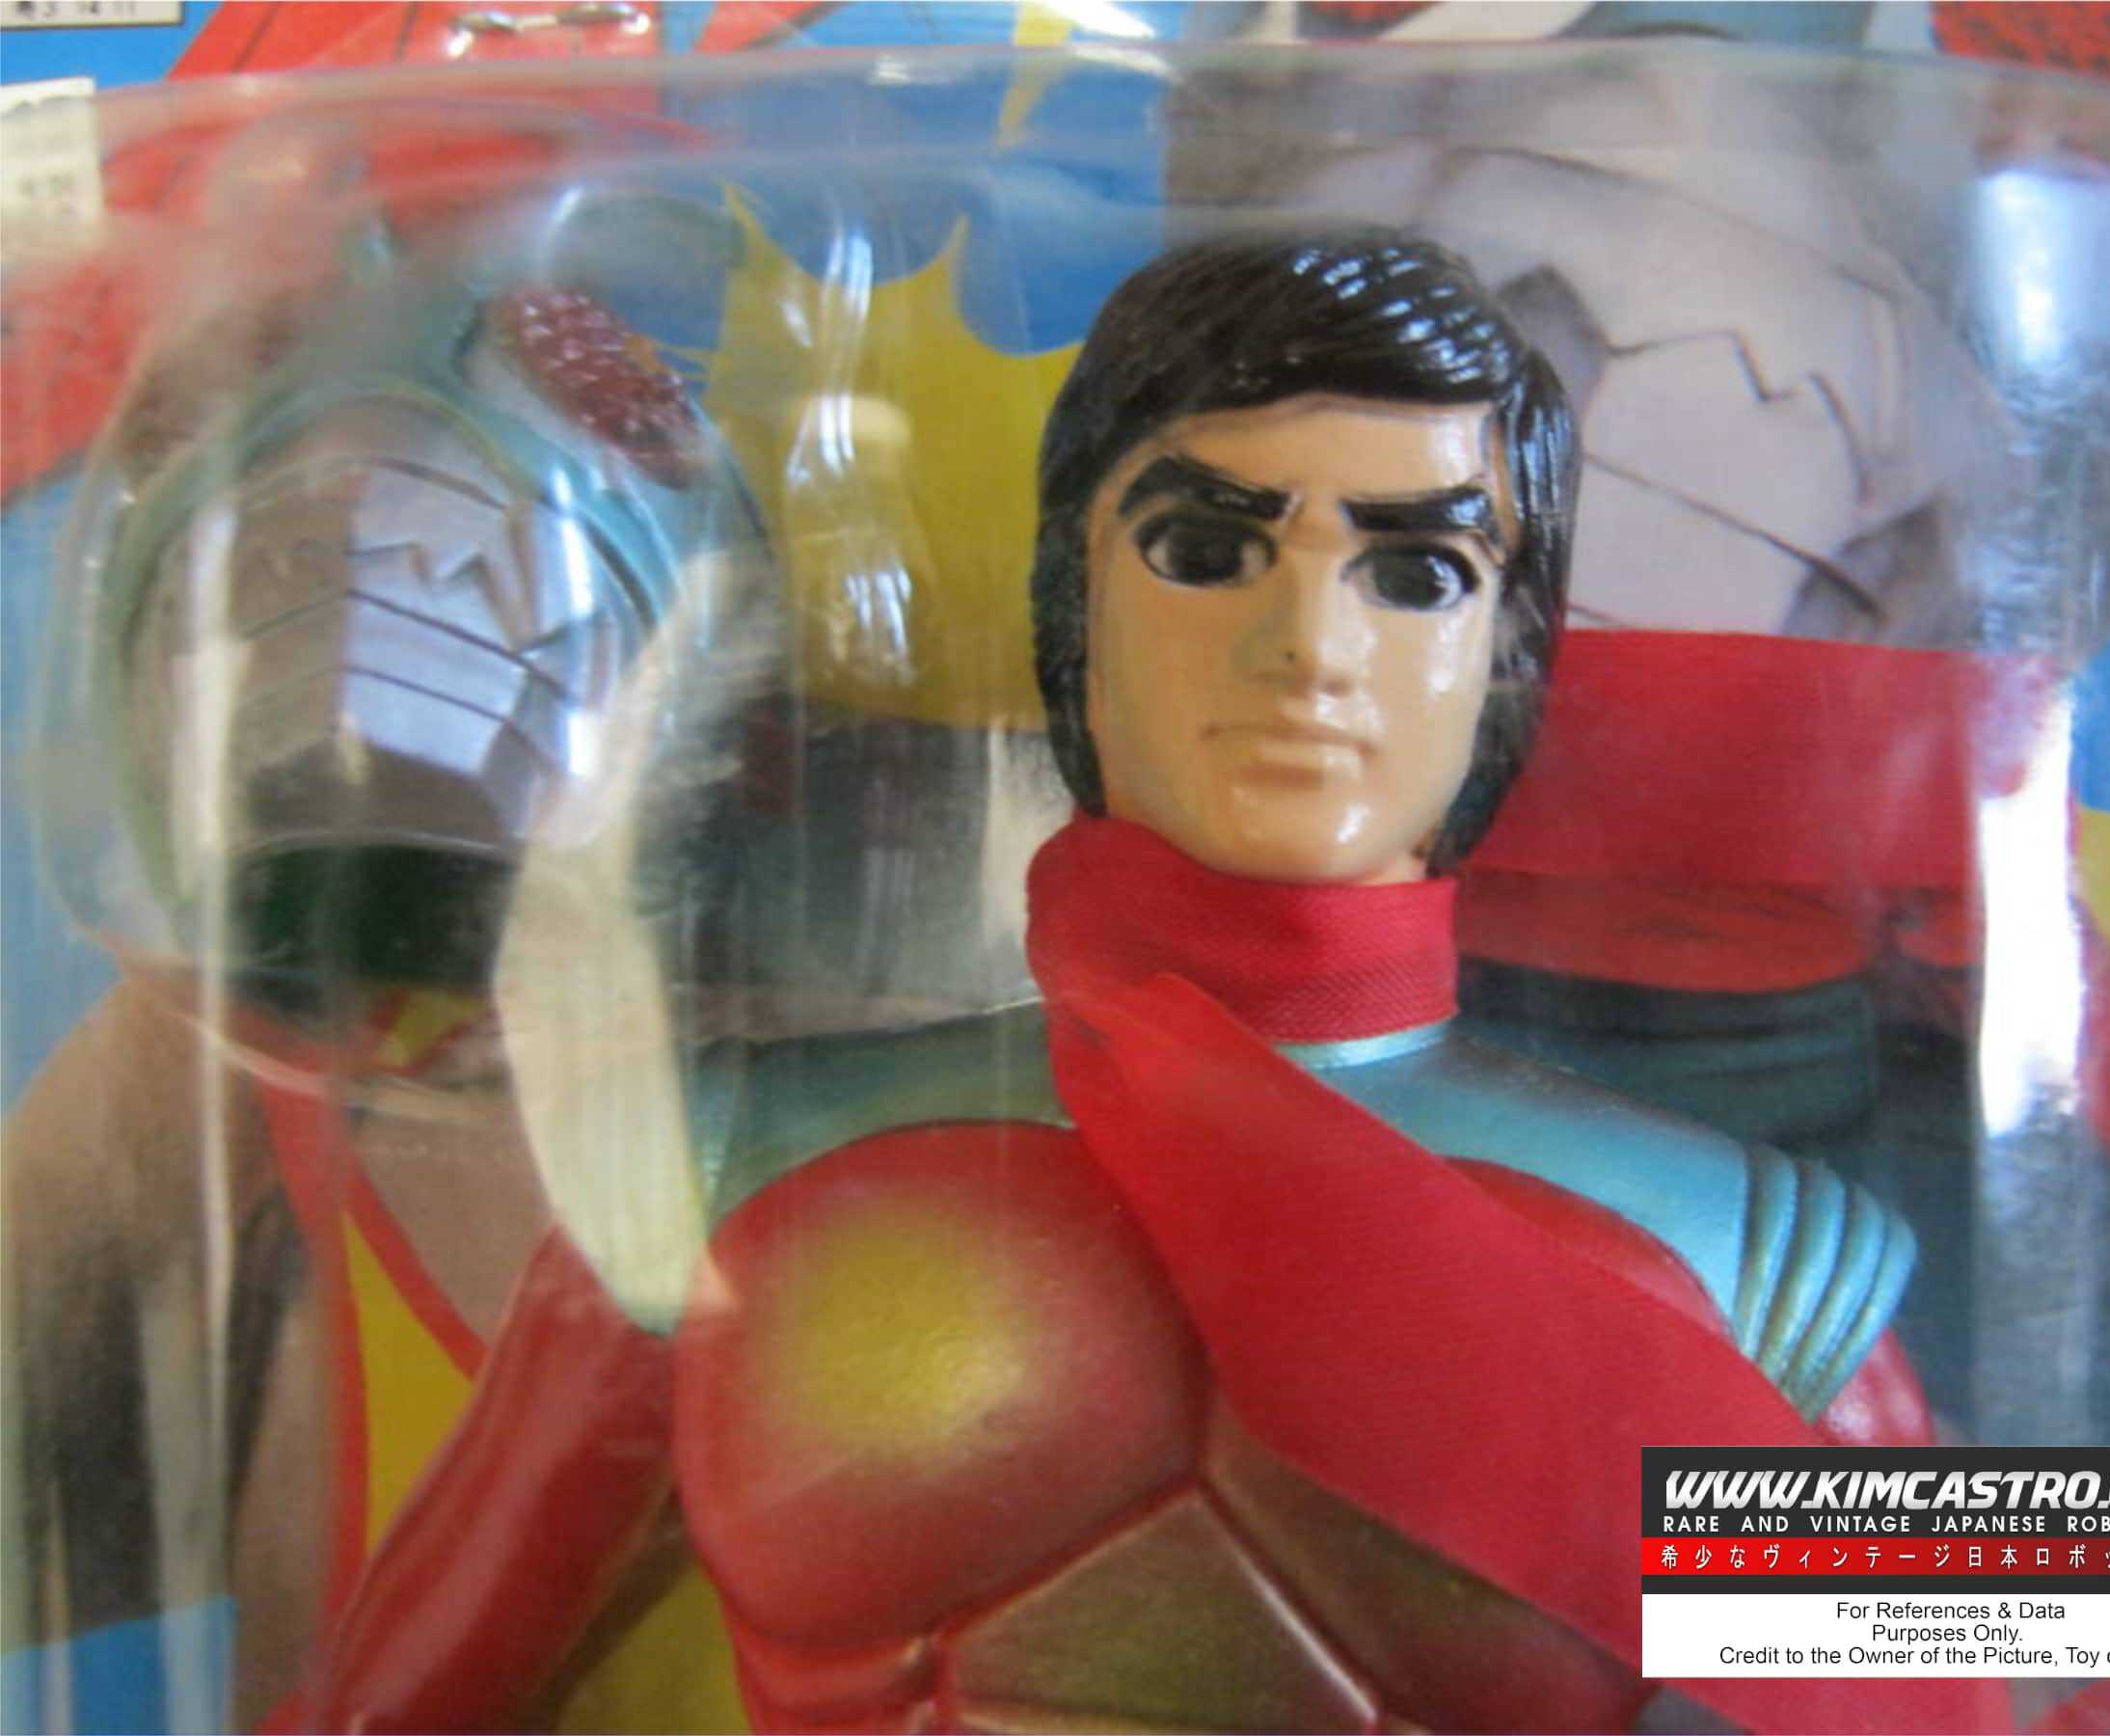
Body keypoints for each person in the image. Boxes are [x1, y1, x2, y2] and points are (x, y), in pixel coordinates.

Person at [309, 231, 1965, 1734]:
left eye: (1415, 574)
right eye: (1204, 547)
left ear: (1511, 649)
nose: (1309, 647)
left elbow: (1999, 1683)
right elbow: (403, 1694)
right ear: (1076, 600)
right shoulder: (730, 1164)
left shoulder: (1744, 1252)